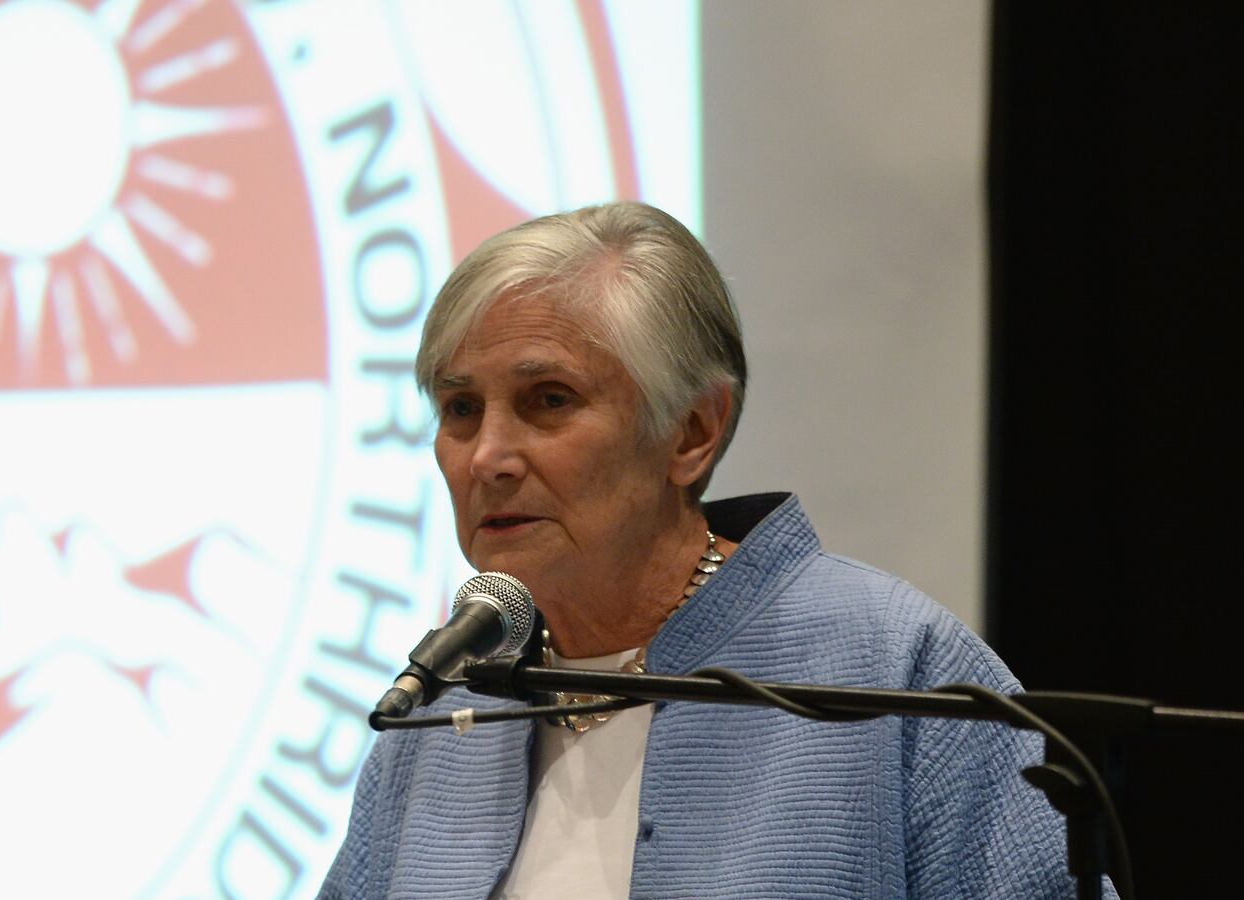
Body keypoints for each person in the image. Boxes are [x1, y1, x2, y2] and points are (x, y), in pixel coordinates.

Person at [319, 202, 1106, 898]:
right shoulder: (443, 708)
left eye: (547, 401)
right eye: (460, 409)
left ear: (692, 431)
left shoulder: (889, 666)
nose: (488, 454)